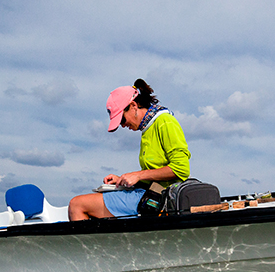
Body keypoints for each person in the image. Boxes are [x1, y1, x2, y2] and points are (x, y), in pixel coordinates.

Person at [68, 79, 190, 220]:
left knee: (77, 204)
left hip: (158, 198)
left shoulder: (165, 122)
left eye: (122, 120)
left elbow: (181, 169)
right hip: (147, 192)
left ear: (133, 106)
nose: (123, 125)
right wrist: (123, 180)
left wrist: (138, 175)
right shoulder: (147, 128)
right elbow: (152, 175)